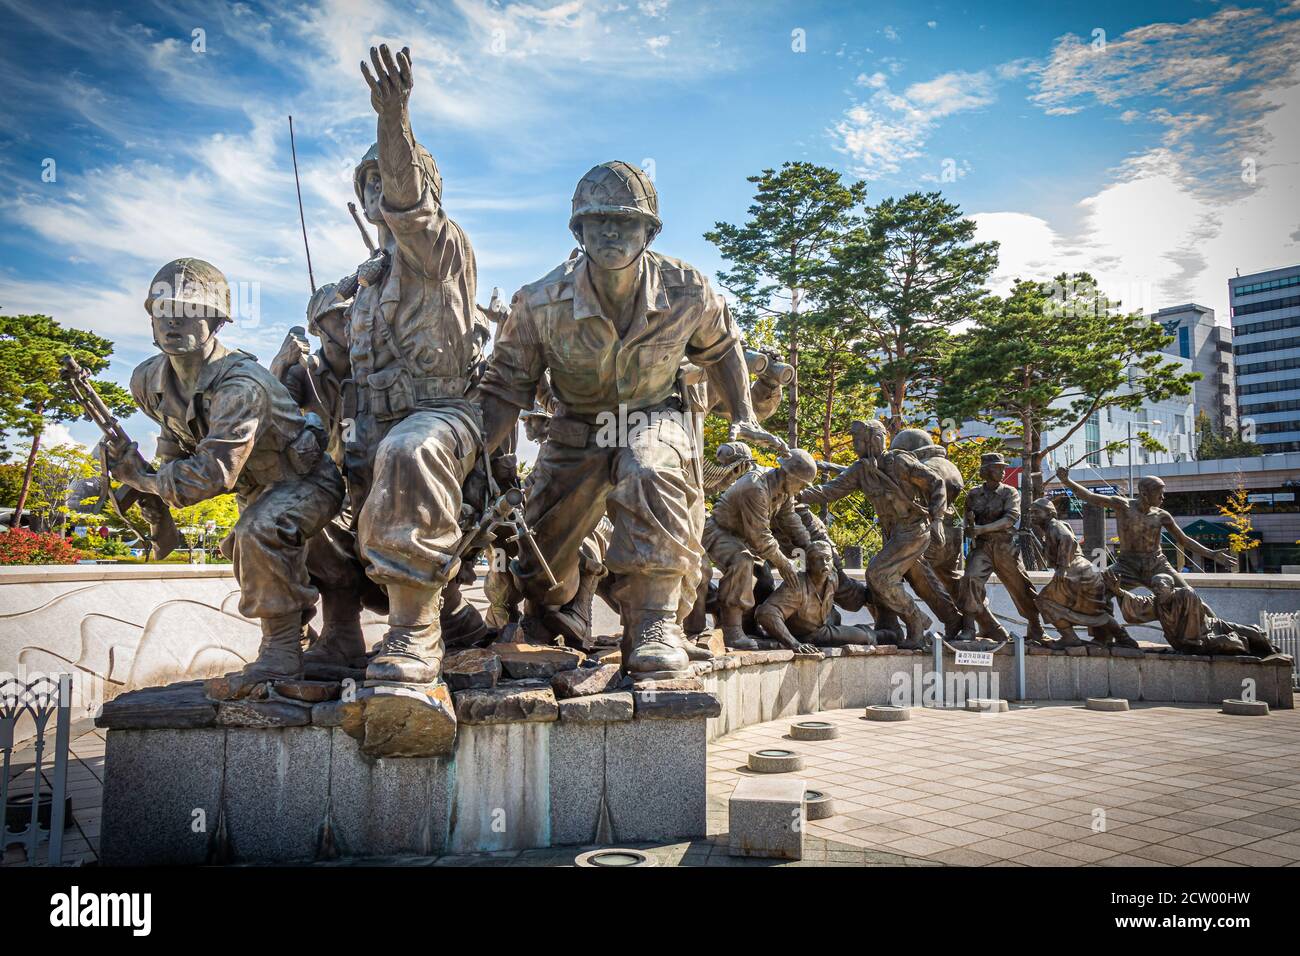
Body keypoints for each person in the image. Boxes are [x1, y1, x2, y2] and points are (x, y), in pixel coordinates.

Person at [476, 160, 784, 676]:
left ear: (649, 231)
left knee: (649, 469)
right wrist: (472, 448)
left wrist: (744, 414)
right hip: (576, 427)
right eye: (599, 222)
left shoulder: (688, 289)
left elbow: (723, 348)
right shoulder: (539, 301)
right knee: (540, 570)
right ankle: (553, 611)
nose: (612, 232)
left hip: (652, 415)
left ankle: (653, 622)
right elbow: (506, 384)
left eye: (626, 221)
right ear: (578, 231)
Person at [111, 258, 344, 697]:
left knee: (259, 531)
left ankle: (281, 651)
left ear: (215, 321)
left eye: (187, 312)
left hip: (306, 481)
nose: (171, 323)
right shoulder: (147, 379)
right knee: (240, 542)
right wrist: (145, 485)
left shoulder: (241, 384)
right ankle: (296, 637)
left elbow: (211, 475)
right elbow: (174, 439)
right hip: (256, 486)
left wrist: (142, 479)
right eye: (161, 312)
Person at [343, 45, 486, 683]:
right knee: (292, 496)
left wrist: (393, 119)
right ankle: (325, 635)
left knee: (411, 451)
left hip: (442, 420)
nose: (381, 192)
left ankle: (413, 631)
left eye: (390, 178)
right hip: (367, 427)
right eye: (368, 183)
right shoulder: (365, 283)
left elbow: (410, 204)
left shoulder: (438, 247)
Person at [800, 419, 946, 649]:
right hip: (892, 534)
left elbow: (936, 482)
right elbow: (829, 491)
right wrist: (794, 493)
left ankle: (916, 623)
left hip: (913, 529)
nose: (854, 445)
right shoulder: (861, 470)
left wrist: (938, 519)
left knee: (878, 574)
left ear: (874, 440)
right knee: (884, 577)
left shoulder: (899, 461)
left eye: (858, 440)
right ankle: (891, 626)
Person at [703, 450, 819, 649]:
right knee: (742, 562)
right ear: (790, 475)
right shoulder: (756, 487)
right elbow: (760, 537)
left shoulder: (783, 490)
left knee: (764, 578)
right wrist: (784, 564)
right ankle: (732, 630)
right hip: (718, 531)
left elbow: (790, 520)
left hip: (742, 538)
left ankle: (749, 627)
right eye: (801, 484)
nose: (801, 490)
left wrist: (809, 546)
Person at [1057, 467, 1236, 588]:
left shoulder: (1162, 515)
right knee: (1097, 592)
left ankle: (1216, 628)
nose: (1163, 498)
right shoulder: (1123, 505)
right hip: (1126, 565)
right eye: (1160, 494)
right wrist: (1067, 481)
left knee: (1188, 594)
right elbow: (1089, 496)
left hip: (1156, 564)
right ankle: (1105, 637)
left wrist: (1212, 554)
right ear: (1144, 493)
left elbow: (1184, 540)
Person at [958, 452, 1045, 644]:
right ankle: (969, 628)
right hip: (982, 547)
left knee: (1021, 586)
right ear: (987, 471)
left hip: (1005, 547)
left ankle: (1036, 627)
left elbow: (1010, 519)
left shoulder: (1010, 492)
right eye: (999, 468)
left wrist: (982, 529)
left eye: (1003, 468)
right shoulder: (973, 494)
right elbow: (967, 522)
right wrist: (970, 529)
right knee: (970, 579)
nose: (1003, 471)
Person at [1027, 498, 1134, 648]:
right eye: (1031, 512)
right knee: (1094, 610)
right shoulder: (1051, 528)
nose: (1032, 515)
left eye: (1036, 512)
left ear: (1050, 513)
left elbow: (1067, 538)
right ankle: (1122, 637)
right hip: (1082, 572)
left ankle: (1069, 637)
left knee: (1044, 601)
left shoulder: (1054, 525)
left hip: (1075, 571)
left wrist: (1063, 567)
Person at [755, 540, 880, 652]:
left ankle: (886, 634)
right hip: (806, 635)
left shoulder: (832, 577)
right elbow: (766, 613)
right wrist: (794, 644)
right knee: (866, 637)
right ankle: (885, 635)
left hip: (823, 627)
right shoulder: (797, 585)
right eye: (818, 559)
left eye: (828, 558)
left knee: (861, 632)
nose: (825, 563)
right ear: (808, 563)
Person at [1114, 573, 1279, 656]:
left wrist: (1213, 621)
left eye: (1161, 586)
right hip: (1199, 640)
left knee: (1254, 632)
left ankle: (1271, 653)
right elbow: (1138, 604)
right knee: (1232, 643)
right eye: (1154, 587)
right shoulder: (1157, 602)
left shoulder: (1184, 594)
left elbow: (1203, 607)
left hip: (1210, 627)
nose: (1157, 590)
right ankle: (1248, 647)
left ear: (1172, 588)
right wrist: (1119, 592)